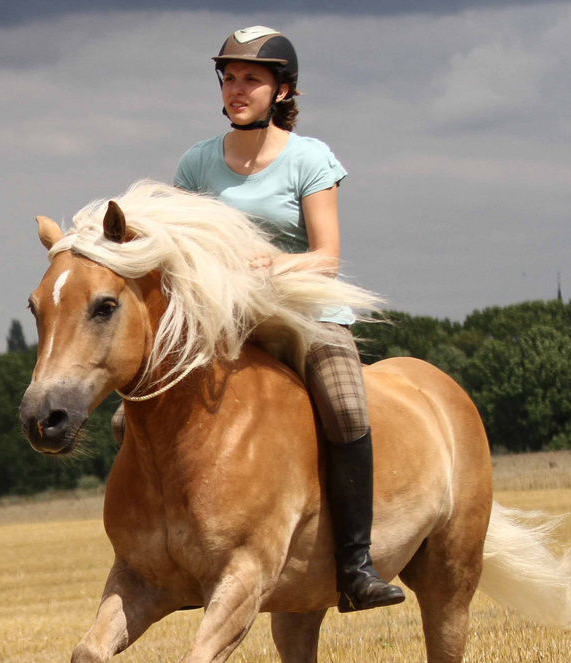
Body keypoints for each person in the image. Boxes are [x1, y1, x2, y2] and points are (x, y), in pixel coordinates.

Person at [172, 26, 404, 613]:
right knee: (135, 417)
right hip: (228, 324)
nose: (237, 88)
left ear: (282, 90)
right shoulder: (197, 163)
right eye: (229, 78)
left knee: (347, 407)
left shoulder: (309, 157)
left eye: (251, 78)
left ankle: (355, 565)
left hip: (306, 315)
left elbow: (326, 257)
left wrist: (276, 265)